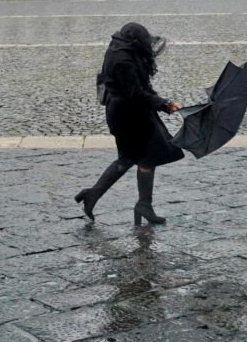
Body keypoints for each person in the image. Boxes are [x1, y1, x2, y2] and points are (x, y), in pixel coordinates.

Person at [75, 22, 183, 225]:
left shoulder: (121, 50)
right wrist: (165, 104)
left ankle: (142, 204)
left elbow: (141, 88)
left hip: (133, 113)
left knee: (145, 157)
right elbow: (136, 93)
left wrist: (161, 102)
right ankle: (98, 195)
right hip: (128, 116)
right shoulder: (123, 60)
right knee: (131, 158)